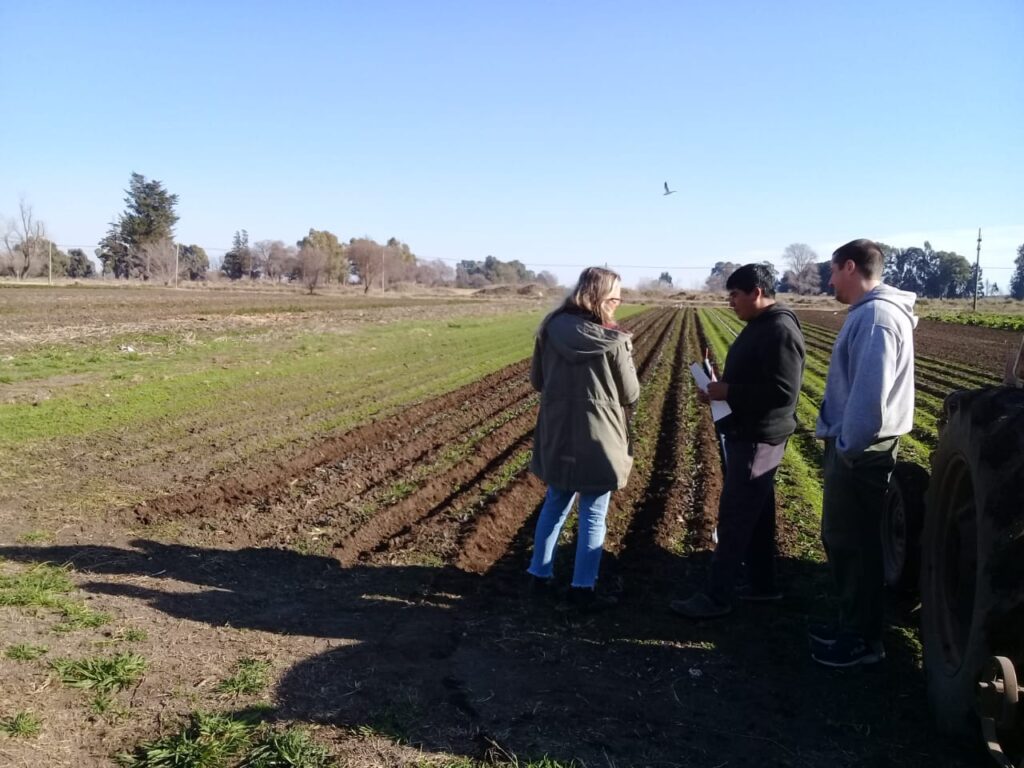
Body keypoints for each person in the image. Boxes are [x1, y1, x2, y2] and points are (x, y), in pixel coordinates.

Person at [670, 263, 805, 619]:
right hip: (748, 431)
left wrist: (728, 390)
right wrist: (719, 391)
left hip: (760, 438)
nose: (731, 302)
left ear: (756, 293)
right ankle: (763, 586)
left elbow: (783, 392)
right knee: (757, 514)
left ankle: (716, 598)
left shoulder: (779, 330)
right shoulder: (761, 325)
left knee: (732, 517)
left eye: (734, 295)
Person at [811, 238, 917, 667]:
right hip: (856, 445)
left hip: (861, 450)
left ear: (850, 267)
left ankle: (862, 640)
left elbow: (869, 397)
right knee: (844, 540)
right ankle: (851, 624)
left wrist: (847, 446)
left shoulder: (876, 318)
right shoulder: (872, 314)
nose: (830, 280)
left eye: (833, 271)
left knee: (854, 543)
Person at [526, 266, 640, 611]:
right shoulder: (614, 340)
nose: (618, 304)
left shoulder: (549, 329)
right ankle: (582, 587)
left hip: (558, 430)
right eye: (615, 297)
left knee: (555, 502)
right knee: (593, 512)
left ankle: (538, 574)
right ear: (599, 297)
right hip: (600, 436)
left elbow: (537, 380)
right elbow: (630, 392)